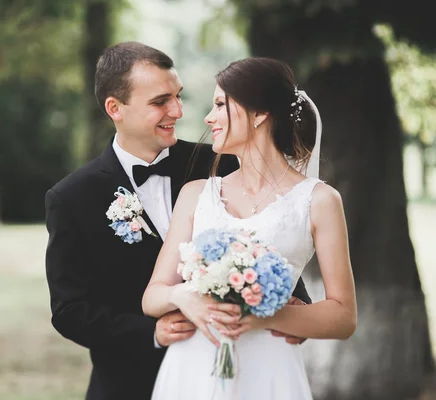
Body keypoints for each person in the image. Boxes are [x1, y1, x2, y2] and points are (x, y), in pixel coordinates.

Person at [45, 43, 312, 400]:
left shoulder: (219, 163)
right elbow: (70, 310)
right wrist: (152, 333)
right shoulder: (72, 197)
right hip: (128, 384)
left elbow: (269, 234)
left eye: (178, 96)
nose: (178, 111)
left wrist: (296, 302)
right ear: (115, 108)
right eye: (160, 102)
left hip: (234, 375)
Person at [142, 57, 357, 400]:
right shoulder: (196, 194)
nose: (208, 118)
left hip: (269, 371)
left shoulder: (319, 200)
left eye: (219, 105)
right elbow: (152, 297)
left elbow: (344, 317)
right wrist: (182, 296)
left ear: (259, 114)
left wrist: (266, 316)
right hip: (192, 368)